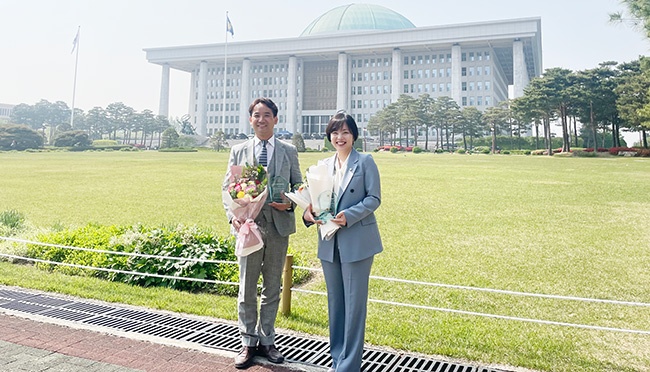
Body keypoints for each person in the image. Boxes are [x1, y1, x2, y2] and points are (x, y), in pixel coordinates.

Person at [223, 97, 302, 369]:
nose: (261, 119)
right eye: (256, 115)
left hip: (279, 226)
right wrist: (233, 216)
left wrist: (291, 202)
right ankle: (247, 341)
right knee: (246, 287)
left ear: (276, 119)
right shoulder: (239, 150)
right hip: (249, 227)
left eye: (267, 115)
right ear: (250, 119)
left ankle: (267, 340)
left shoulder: (289, 150)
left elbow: (298, 185)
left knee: (272, 287)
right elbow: (227, 189)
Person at [303, 111, 383, 372]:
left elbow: (373, 198)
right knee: (336, 303)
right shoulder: (322, 166)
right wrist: (310, 212)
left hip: (356, 243)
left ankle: (349, 366)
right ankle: (338, 358)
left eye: (345, 132)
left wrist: (349, 215)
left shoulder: (365, 162)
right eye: (335, 132)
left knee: (354, 306)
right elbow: (314, 201)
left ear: (353, 136)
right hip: (329, 242)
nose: (340, 137)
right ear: (329, 136)